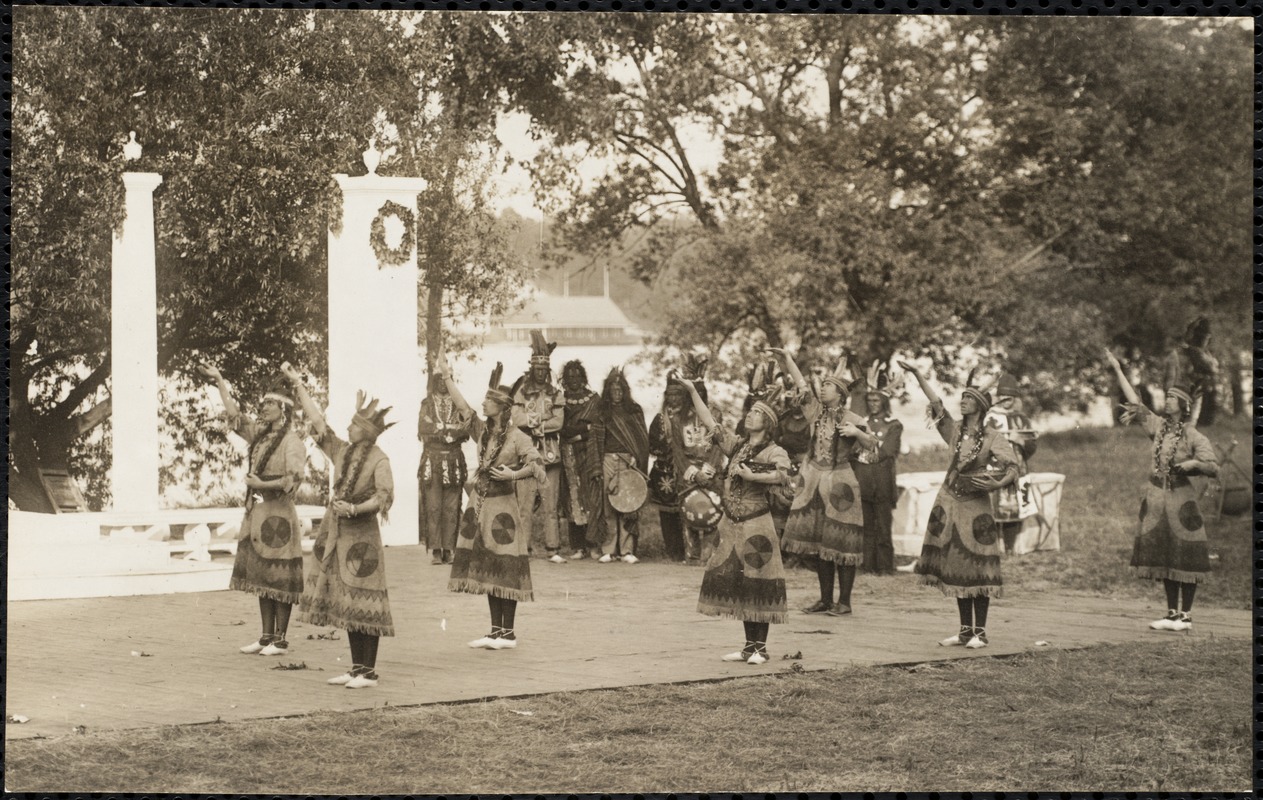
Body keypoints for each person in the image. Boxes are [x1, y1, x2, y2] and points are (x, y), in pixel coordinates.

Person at [282, 362, 395, 689]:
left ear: (366, 431)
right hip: (340, 535)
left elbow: (384, 497)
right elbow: (318, 422)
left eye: (353, 424)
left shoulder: (380, 459)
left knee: (366, 600)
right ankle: (356, 668)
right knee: (348, 599)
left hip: (364, 539)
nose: (347, 427)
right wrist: (298, 383)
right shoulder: (343, 452)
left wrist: (356, 508)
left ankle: (369, 672)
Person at [900, 360, 1018, 650]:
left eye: (968, 399)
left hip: (976, 507)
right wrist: (917, 374)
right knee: (957, 564)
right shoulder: (954, 431)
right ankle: (965, 631)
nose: (962, 402)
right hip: (950, 502)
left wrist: (996, 483)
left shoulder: (992, 437)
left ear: (979, 406)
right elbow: (936, 402)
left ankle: (981, 632)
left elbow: (1012, 466)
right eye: (962, 398)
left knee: (978, 566)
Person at [198, 364, 307, 657]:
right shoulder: (260, 435)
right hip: (258, 514)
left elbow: (293, 480)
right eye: (265, 403)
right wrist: (220, 379)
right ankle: (265, 636)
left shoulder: (292, 442)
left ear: (284, 409)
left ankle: (281, 640)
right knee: (261, 576)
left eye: (270, 403)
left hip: (280, 517)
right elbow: (235, 416)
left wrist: (261, 483)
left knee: (279, 576)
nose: (264, 407)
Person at [1106, 350, 1219, 633]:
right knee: (1167, 554)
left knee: (1186, 554)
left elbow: (1213, 466)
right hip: (1158, 498)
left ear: (1182, 404)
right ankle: (1171, 614)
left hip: (1183, 501)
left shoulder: (1193, 436)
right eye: (1166, 396)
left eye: (1171, 397)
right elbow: (1135, 401)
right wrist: (1118, 369)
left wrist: (1192, 463)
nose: (1166, 400)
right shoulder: (1158, 427)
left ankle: (1187, 615)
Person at [686, 377, 791, 664]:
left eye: (756, 413)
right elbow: (710, 423)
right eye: (750, 411)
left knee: (760, 580)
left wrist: (753, 476)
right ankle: (748, 646)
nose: (750, 415)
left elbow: (782, 475)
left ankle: (761, 648)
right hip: (732, 525)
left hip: (757, 523)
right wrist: (693, 390)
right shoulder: (739, 446)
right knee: (742, 582)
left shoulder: (774, 451)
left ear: (767, 424)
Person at [446, 361, 545, 650]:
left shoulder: (517, 437)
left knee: (504, 563)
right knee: (489, 561)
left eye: (489, 401)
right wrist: (447, 376)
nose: (483, 404)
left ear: (502, 408)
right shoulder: (483, 432)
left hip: (503, 508)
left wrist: (514, 474)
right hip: (480, 505)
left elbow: (537, 463)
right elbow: (463, 406)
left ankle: (509, 633)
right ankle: (495, 631)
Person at [772, 349, 877, 615]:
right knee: (820, 544)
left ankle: (845, 602)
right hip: (814, 482)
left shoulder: (854, 419)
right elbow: (802, 385)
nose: (823, 390)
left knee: (841, 543)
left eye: (829, 386)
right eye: (824, 386)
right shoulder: (816, 413)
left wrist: (857, 434)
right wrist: (788, 360)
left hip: (841, 484)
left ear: (841, 394)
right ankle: (825, 600)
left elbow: (874, 448)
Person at [663, 354, 726, 564]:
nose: (698, 394)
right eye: (694, 391)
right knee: (688, 512)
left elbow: (720, 444)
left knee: (712, 510)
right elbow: (678, 451)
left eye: (701, 391)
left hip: (711, 472)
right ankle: (693, 556)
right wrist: (692, 473)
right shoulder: (677, 418)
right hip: (688, 473)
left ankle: (709, 557)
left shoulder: (715, 414)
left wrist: (707, 471)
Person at [510, 330, 565, 563]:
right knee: (525, 504)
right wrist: (543, 421)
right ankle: (525, 548)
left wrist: (535, 424)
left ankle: (553, 548)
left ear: (548, 371)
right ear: (532, 369)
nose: (541, 373)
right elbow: (517, 419)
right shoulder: (522, 392)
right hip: (527, 456)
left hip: (550, 455)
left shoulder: (555, 393)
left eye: (545, 370)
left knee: (551, 505)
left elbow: (559, 422)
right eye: (538, 370)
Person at [591, 368, 651, 563]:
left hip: (629, 461)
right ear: (607, 390)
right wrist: (598, 465)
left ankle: (627, 550)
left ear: (624, 390)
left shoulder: (634, 410)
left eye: (619, 390)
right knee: (609, 503)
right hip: (607, 459)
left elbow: (642, 439)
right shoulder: (601, 411)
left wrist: (636, 457)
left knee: (628, 503)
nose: (616, 393)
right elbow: (595, 440)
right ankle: (609, 549)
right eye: (612, 390)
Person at [418, 359, 473, 565]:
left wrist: (441, 428)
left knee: (451, 506)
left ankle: (449, 549)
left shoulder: (458, 403)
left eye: (445, 378)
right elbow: (423, 428)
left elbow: (466, 428)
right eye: (439, 378)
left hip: (454, 461)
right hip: (432, 461)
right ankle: (435, 550)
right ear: (434, 380)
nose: (442, 382)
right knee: (433, 506)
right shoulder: (427, 403)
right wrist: (449, 430)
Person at [854, 361, 904, 575]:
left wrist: (865, 446)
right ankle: (867, 566)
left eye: (877, 400)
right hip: (863, 481)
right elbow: (852, 451)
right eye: (870, 400)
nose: (873, 403)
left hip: (882, 483)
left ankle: (884, 567)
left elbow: (887, 451)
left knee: (883, 527)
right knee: (865, 527)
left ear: (884, 402)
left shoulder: (894, 424)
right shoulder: (860, 422)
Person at [985, 373, 1039, 554]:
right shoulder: (988, 418)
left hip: (1018, 472)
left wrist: (1020, 441)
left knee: (1014, 512)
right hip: (994, 471)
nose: (1006, 400)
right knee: (992, 510)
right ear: (998, 397)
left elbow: (1032, 445)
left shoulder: (1021, 419)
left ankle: (1009, 548)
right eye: (1002, 396)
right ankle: (992, 549)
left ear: (1014, 398)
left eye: (1010, 397)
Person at [558, 360, 603, 560]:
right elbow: (562, 429)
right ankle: (578, 546)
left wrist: (577, 434)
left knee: (591, 496)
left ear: (583, 377)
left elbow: (599, 427)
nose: (574, 380)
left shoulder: (594, 399)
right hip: (567, 455)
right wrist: (583, 430)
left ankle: (594, 544)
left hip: (590, 454)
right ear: (564, 379)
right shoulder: (560, 399)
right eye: (570, 376)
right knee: (572, 497)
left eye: (577, 376)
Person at [648, 379, 688, 563]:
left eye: (677, 394)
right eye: (670, 394)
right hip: (664, 471)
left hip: (683, 469)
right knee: (666, 514)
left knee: (686, 510)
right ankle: (672, 550)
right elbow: (652, 444)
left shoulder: (689, 418)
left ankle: (687, 549)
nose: (673, 398)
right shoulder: (660, 419)